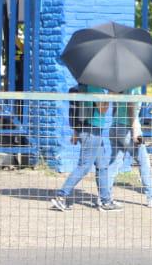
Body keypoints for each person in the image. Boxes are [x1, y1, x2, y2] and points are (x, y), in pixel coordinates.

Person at [50, 83, 119, 211]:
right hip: (91, 131)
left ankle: (106, 201)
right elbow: (102, 110)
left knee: (102, 166)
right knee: (84, 166)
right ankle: (61, 196)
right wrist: (110, 95)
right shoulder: (95, 87)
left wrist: (76, 133)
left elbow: (79, 113)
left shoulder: (84, 86)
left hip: (93, 131)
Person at [110, 96, 152, 208]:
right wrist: (135, 131)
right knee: (144, 162)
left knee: (113, 164)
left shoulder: (119, 87)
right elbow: (131, 107)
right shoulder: (133, 87)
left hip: (115, 126)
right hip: (127, 128)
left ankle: (104, 198)